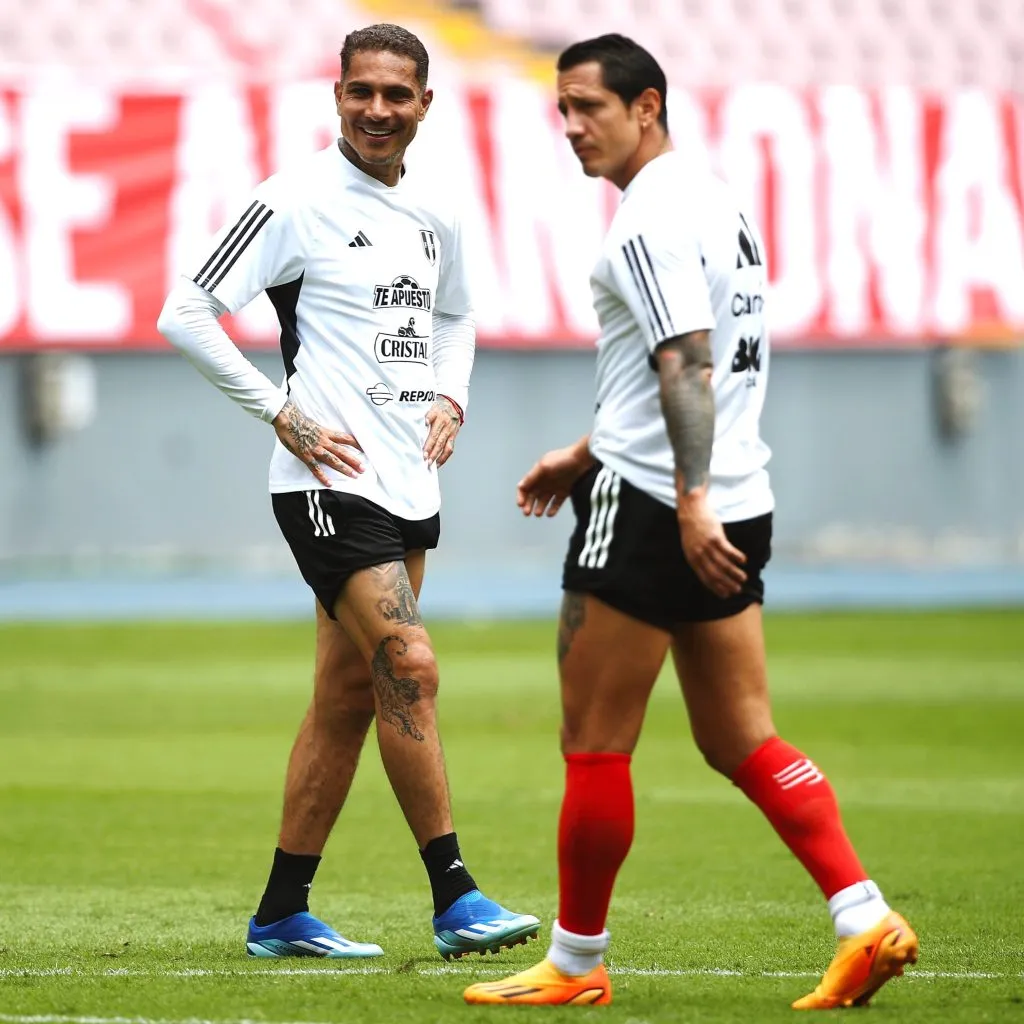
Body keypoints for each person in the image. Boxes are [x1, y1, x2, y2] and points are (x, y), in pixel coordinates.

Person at [464, 33, 917, 1009]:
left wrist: (685, 497)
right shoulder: (716, 200)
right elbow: (671, 369)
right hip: (742, 497)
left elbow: (686, 361)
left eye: (589, 106)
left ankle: (575, 963)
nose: (571, 126)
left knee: (593, 741)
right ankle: (864, 916)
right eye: (562, 109)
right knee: (742, 737)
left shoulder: (645, 222)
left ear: (647, 107)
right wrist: (589, 450)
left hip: (657, 506)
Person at [158, 23, 538, 962]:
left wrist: (451, 394)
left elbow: (456, 317)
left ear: (424, 105)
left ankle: (282, 913)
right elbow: (186, 310)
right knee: (409, 662)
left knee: (346, 698)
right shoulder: (293, 201)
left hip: (407, 479)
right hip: (326, 481)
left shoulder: (439, 210)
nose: (377, 109)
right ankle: (456, 896)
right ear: (336, 96)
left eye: (396, 94)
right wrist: (277, 412)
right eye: (360, 91)